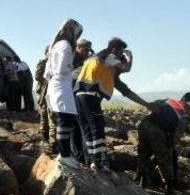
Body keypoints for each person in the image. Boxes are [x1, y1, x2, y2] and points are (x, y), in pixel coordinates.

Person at [74, 37, 149, 170]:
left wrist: (146, 104)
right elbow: (126, 68)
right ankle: (100, 161)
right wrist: (129, 56)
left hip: (79, 96)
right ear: (115, 49)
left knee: (87, 129)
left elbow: (125, 89)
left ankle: (91, 160)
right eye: (120, 54)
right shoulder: (109, 56)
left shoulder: (96, 59)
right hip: (91, 96)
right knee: (97, 128)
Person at [137, 92, 190, 195]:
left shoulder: (169, 100)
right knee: (166, 159)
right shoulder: (184, 114)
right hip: (157, 131)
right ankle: (169, 187)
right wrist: (170, 146)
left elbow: (153, 106)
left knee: (144, 154)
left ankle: (142, 180)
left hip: (144, 124)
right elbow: (175, 136)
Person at [44, 18, 83, 168]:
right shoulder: (65, 45)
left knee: (67, 119)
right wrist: (72, 71)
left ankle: (65, 153)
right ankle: (64, 154)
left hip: (60, 85)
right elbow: (61, 69)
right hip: (60, 85)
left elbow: (47, 73)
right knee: (64, 120)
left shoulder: (58, 45)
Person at [34, 46, 55, 143]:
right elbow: (37, 76)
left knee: (51, 116)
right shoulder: (42, 62)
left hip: (51, 92)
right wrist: (47, 79)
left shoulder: (53, 63)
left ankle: (50, 139)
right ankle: (45, 138)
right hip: (43, 92)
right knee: (44, 115)